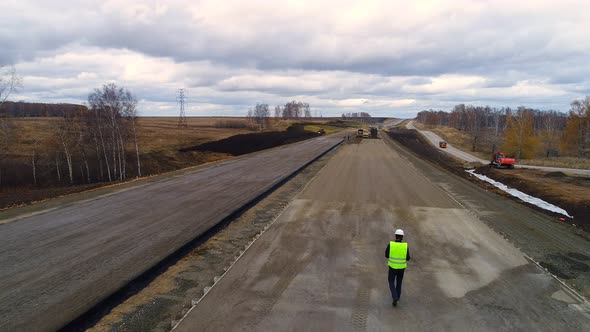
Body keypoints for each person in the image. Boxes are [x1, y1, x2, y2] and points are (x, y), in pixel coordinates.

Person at [385, 229, 410, 307]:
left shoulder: (391, 244)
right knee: (399, 283)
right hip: (401, 268)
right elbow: (408, 258)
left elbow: (386, 255)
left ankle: (394, 296)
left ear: (395, 236)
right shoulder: (405, 246)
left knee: (391, 281)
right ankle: (397, 297)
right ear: (402, 237)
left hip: (392, 267)